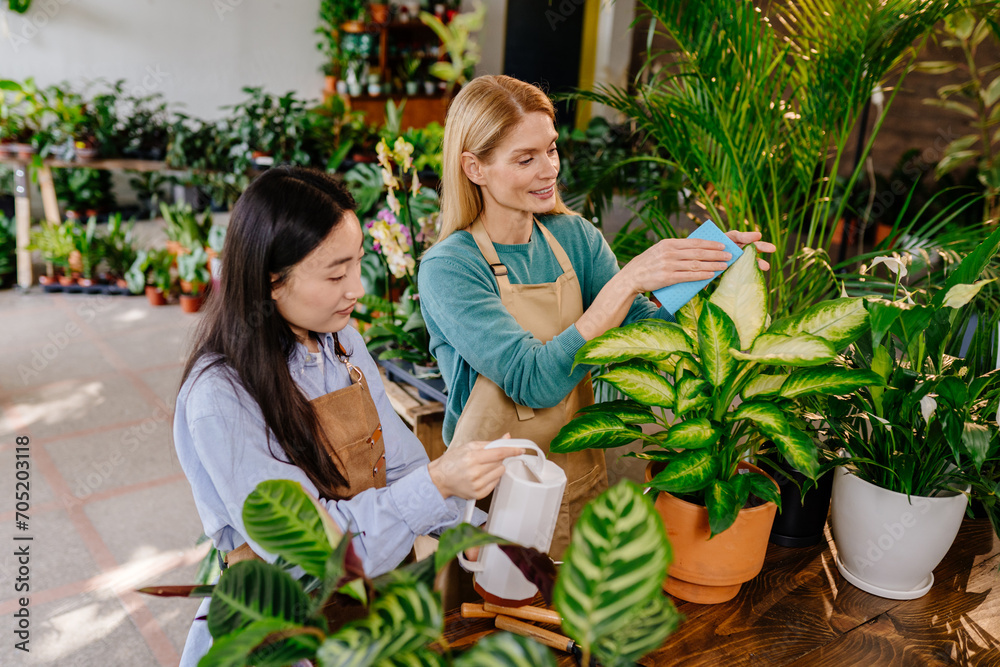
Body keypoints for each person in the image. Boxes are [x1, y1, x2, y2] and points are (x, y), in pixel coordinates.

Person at [173, 167, 522, 665]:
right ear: (271, 281)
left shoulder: (342, 342)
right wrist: (440, 483)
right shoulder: (221, 396)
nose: (355, 289)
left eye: (358, 264)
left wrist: (472, 532)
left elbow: (400, 467)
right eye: (336, 274)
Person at [418, 75, 775, 557]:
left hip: (575, 473)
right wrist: (627, 280)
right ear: (474, 168)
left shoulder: (575, 238)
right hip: (494, 494)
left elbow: (644, 337)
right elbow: (533, 381)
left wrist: (709, 279)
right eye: (526, 159)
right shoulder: (450, 268)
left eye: (551, 149)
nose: (549, 170)